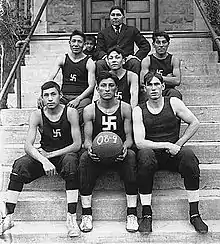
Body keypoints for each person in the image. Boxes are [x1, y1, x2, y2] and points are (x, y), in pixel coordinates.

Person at [0, 81, 82, 237]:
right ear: (42, 98)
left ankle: (71, 217)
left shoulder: (70, 113)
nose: (50, 98)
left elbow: (77, 144)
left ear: (60, 96)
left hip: (65, 154)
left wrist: (51, 155)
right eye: (46, 95)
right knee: (19, 165)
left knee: (71, 164)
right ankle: (9, 217)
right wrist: (44, 160)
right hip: (45, 154)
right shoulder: (37, 115)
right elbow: (28, 146)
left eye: (53, 94)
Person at [132, 71, 208, 234]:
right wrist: (167, 144)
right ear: (144, 88)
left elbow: (194, 122)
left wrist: (179, 144)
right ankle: (146, 214)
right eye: (150, 85)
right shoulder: (138, 110)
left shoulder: (173, 102)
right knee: (144, 155)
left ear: (163, 86)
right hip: (152, 155)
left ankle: (194, 213)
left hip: (172, 154)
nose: (153, 88)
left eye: (156, 84)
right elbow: (139, 142)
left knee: (189, 156)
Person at [79, 71, 138, 233]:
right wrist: (90, 149)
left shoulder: (125, 108)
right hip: (98, 155)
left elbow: (129, 138)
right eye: (103, 85)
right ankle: (86, 213)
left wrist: (125, 147)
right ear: (97, 88)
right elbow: (87, 140)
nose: (107, 89)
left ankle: (132, 213)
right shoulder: (89, 110)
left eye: (111, 85)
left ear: (116, 88)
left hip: (119, 154)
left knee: (132, 156)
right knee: (84, 158)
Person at [38, 30, 96, 124]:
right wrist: (42, 94)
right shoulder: (62, 58)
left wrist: (78, 99)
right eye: (73, 41)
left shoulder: (89, 62)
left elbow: (91, 86)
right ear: (69, 43)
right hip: (64, 96)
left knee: (76, 114)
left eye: (79, 42)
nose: (76, 44)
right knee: (45, 105)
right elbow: (50, 79)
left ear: (84, 44)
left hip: (81, 97)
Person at [95, 6, 151, 76]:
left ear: (123, 16)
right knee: (100, 63)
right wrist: (106, 57)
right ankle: (103, 85)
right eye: (113, 15)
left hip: (126, 60)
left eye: (118, 15)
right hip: (110, 60)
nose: (115, 17)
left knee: (135, 62)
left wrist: (136, 56)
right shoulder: (103, 33)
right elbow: (98, 50)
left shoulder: (132, 30)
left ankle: (134, 84)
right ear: (109, 17)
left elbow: (145, 46)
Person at [140, 31, 182, 100]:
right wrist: (166, 78)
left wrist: (152, 76)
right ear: (153, 45)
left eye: (164, 42)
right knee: (144, 95)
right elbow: (142, 81)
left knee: (175, 94)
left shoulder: (173, 60)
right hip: (152, 89)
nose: (161, 45)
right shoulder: (147, 60)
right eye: (158, 42)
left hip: (167, 90)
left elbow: (177, 81)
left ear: (168, 44)